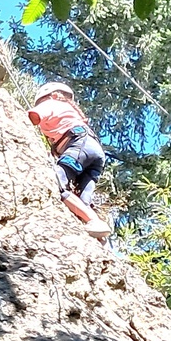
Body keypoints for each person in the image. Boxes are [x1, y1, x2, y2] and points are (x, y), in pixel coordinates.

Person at [27, 81, 112, 238]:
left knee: (55, 182)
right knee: (82, 201)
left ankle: (93, 220)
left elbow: (32, 117)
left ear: (52, 96)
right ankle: (99, 236)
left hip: (79, 145)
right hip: (93, 152)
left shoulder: (52, 103)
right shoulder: (70, 112)